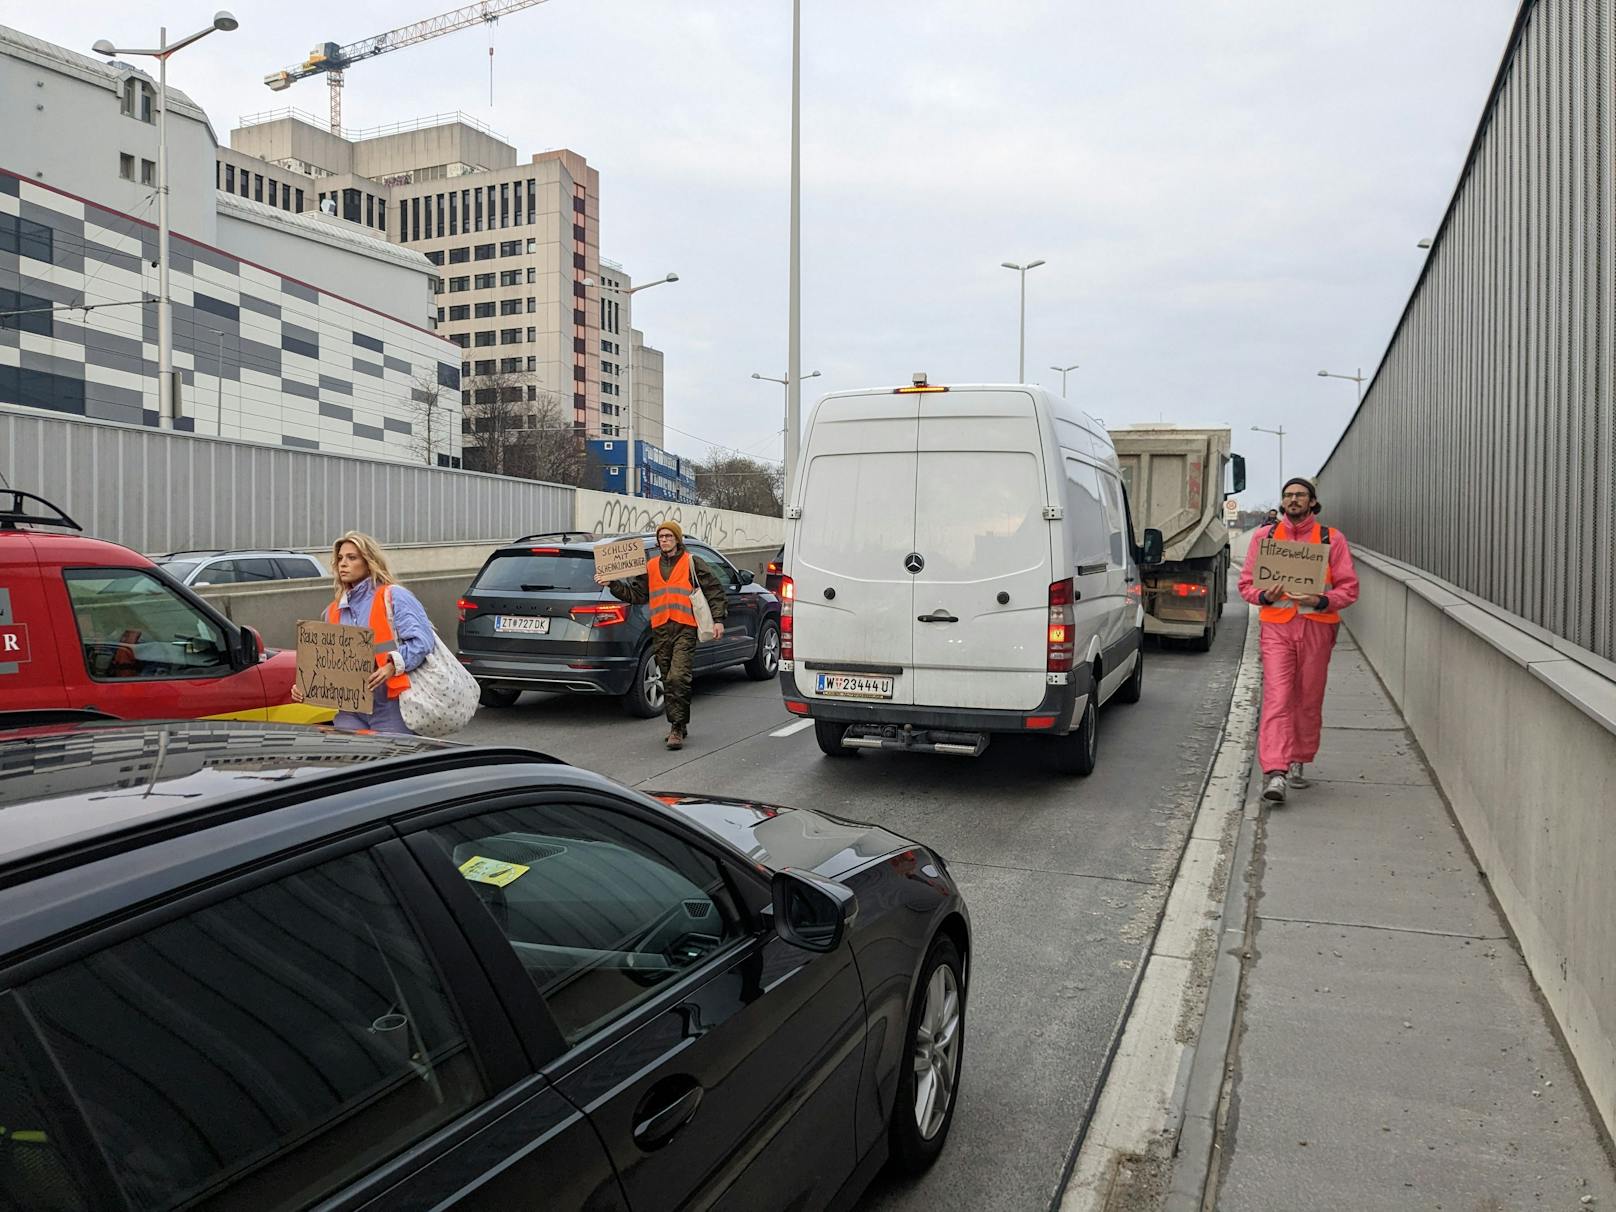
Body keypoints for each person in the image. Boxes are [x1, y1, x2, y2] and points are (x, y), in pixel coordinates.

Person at [1238, 478, 1359, 804]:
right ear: (1282, 501)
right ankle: (1275, 771)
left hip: (1317, 627)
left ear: (1312, 502)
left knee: (1308, 698)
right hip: (1277, 628)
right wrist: (1264, 594)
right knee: (1278, 697)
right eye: (1288, 495)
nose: (1293, 500)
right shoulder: (1266, 538)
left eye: (1300, 495)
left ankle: (1299, 759)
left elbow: (1349, 589)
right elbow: (1246, 585)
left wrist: (1320, 600)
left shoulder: (1331, 539)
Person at [596, 521, 726, 750]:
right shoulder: (651, 566)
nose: (664, 540)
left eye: (668, 536)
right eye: (661, 537)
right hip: (661, 629)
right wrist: (612, 584)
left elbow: (714, 590)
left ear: (677, 539)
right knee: (668, 678)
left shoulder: (692, 562)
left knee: (679, 677)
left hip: (685, 627)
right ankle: (680, 722)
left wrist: (718, 621)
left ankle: (676, 728)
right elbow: (636, 595)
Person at [291, 531, 435, 735]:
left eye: (352, 558)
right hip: (351, 710)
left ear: (369, 562)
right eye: (340, 558)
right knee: (355, 761)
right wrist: (306, 686)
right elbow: (328, 663)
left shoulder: (394, 596)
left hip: (392, 705)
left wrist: (392, 666)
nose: (343, 564)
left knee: (390, 763)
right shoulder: (332, 611)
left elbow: (422, 642)